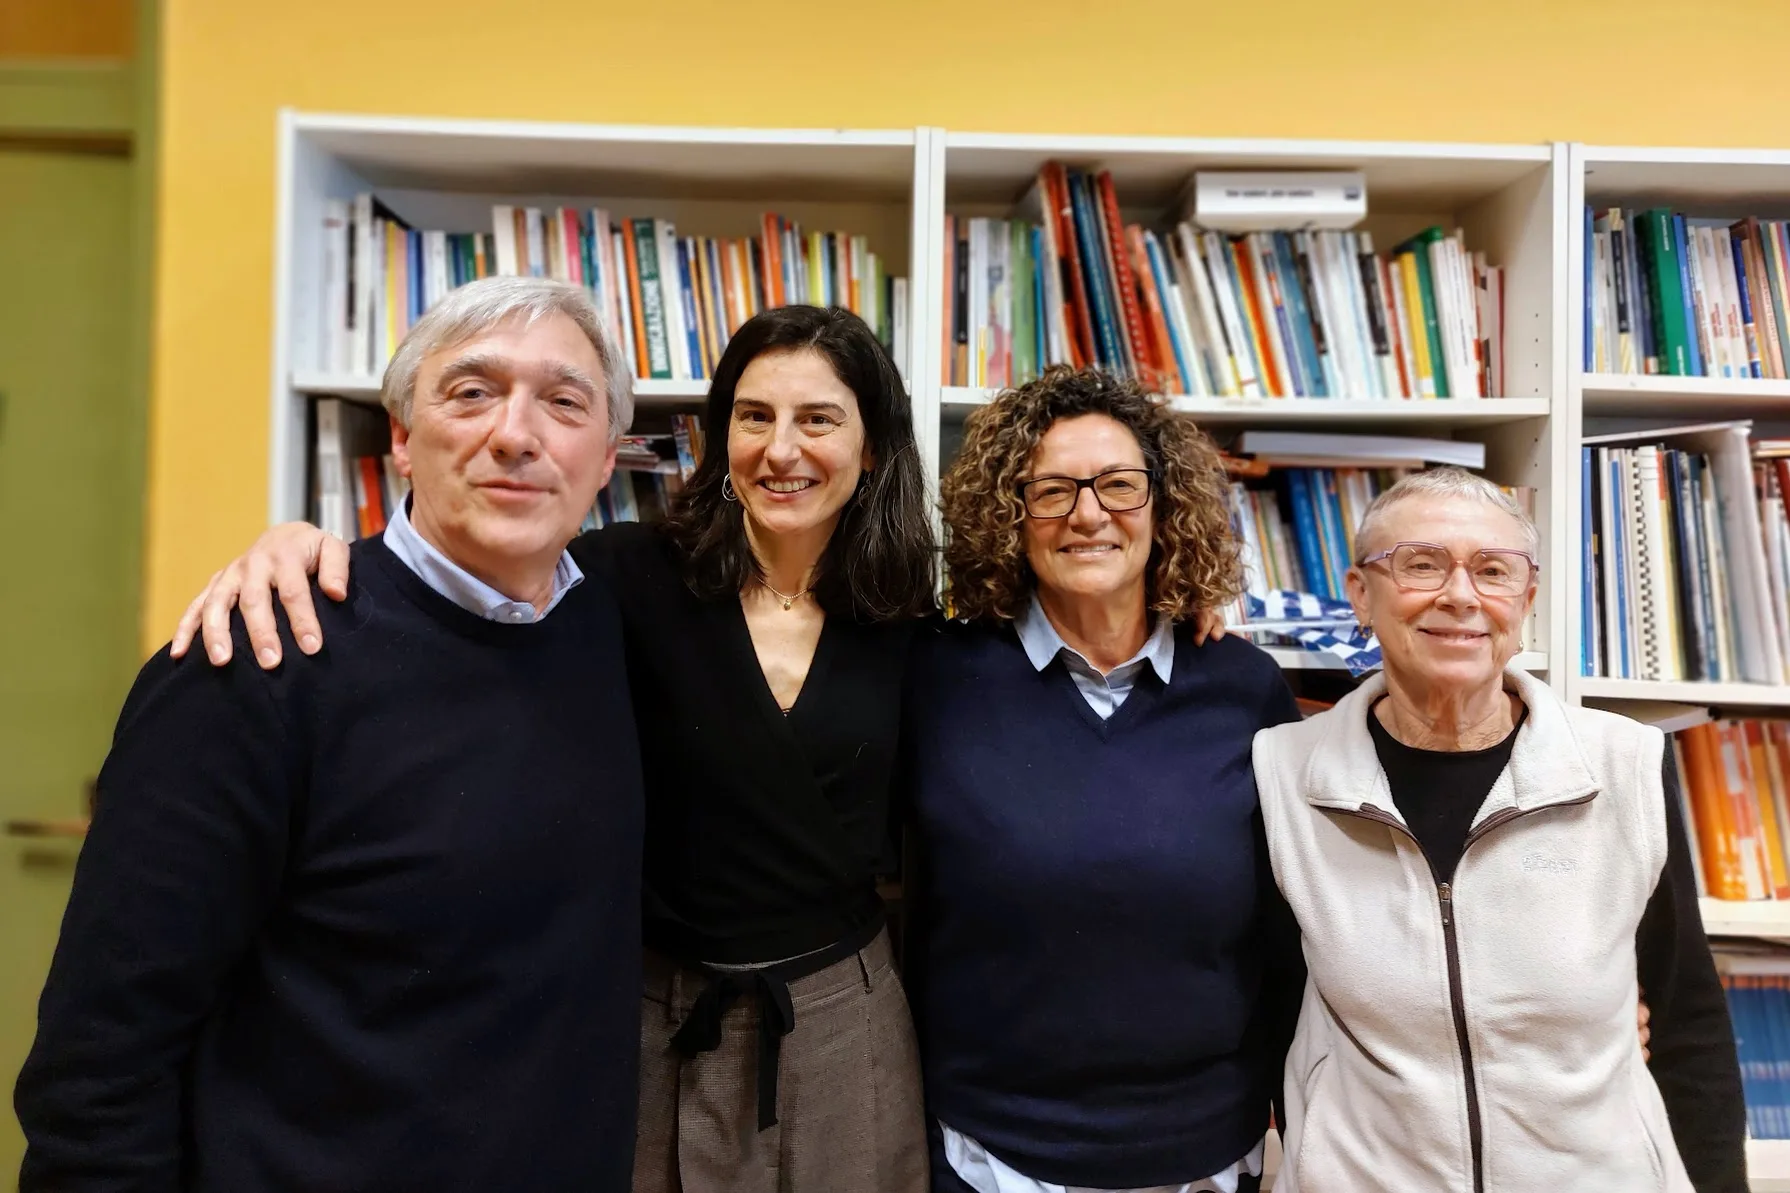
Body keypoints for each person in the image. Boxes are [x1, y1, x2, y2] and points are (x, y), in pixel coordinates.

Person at [165, 303, 937, 1193]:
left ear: (871, 449)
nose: (781, 448)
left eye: (819, 419)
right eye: (754, 416)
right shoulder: (619, 579)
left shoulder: (911, 617)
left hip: (840, 1021)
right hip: (651, 1018)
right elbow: (465, 586)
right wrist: (298, 546)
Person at [14, 276, 647, 1191]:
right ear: (401, 439)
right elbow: (101, 1060)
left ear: (608, 457)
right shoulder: (257, 658)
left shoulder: (620, 632)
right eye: (471, 392)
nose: (515, 434)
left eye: (564, 402)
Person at [1251, 467, 1747, 1193]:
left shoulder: (1624, 764)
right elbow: (1271, 1015)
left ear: (1526, 600)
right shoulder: (1284, 773)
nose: (1461, 594)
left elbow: (1687, 1021)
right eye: (1422, 564)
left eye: (1492, 570)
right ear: (1360, 594)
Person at [904, 367, 1304, 1193]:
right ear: (1010, 514)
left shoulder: (1245, 689)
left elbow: (1288, 936)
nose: (1088, 514)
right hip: (992, 1155)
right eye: (1052, 490)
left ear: (1164, 504)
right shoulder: (934, 679)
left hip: (1207, 1154)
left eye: (1119, 485)